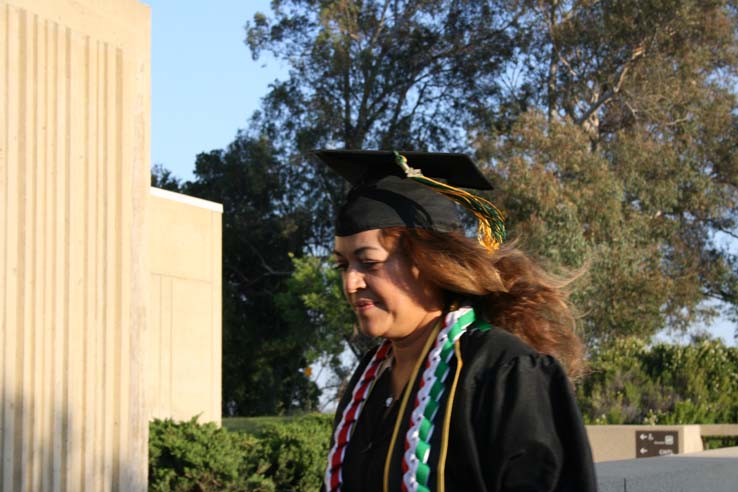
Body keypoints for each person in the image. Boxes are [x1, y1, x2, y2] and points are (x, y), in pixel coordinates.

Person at [314, 150, 597, 492]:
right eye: (343, 266)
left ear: (428, 263)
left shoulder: (503, 371)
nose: (350, 283)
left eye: (369, 263)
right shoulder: (369, 380)